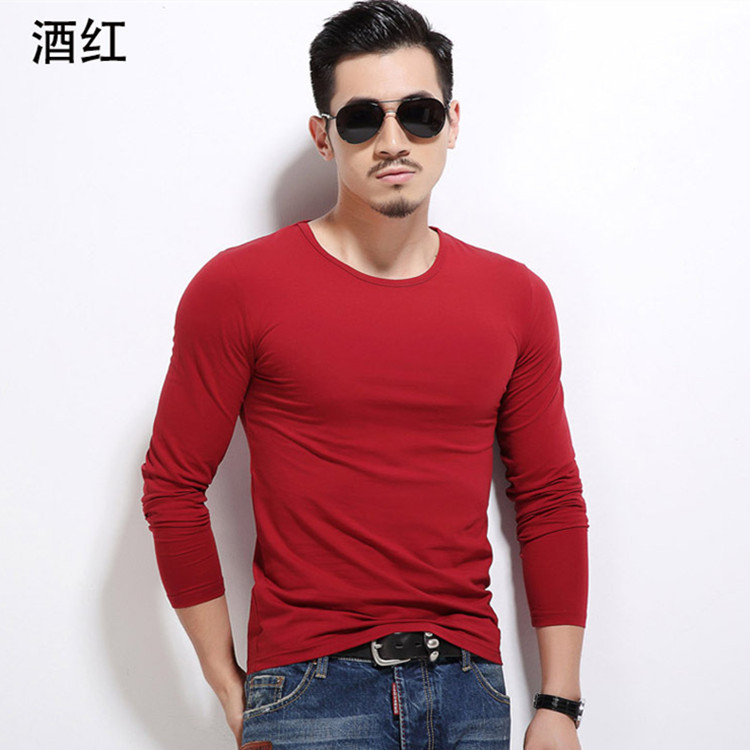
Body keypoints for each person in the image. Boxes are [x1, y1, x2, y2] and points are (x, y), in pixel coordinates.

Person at [141, 1, 589, 748]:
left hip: (470, 688)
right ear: (324, 136)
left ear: (451, 122)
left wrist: (559, 703)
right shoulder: (240, 288)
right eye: (360, 119)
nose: (392, 141)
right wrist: (228, 684)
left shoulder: (516, 298)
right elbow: (173, 486)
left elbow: (549, 497)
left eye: (418, 113)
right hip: (310, 689)